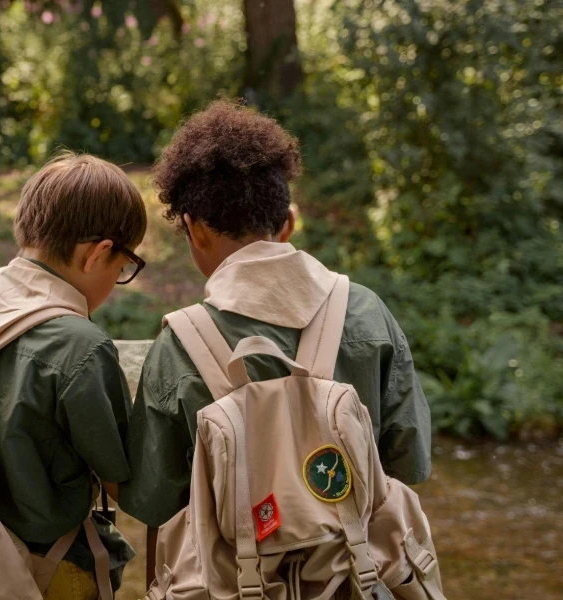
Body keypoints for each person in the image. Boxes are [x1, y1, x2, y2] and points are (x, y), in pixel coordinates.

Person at [118, 101, 432, 586]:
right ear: (287, 223)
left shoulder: (181, 343)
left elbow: (153, 499)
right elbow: (409, 459)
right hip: (357, 580)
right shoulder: (367, 311)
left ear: (196, 230)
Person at [0, 152, 147, 598]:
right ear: (99, 253)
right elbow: (126, 484)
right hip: (50, 571)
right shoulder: (80, 346)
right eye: (122, 269)